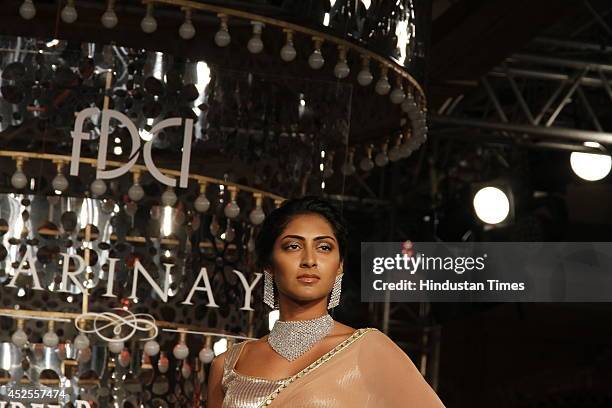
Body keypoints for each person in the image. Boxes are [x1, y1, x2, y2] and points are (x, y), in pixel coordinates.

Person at [206, 196, 446, 407]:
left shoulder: (368, 349)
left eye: (324, 247)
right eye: (293, 246)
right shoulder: (227, 365)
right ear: (269, 264)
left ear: (339, 265)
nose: (309, 260)